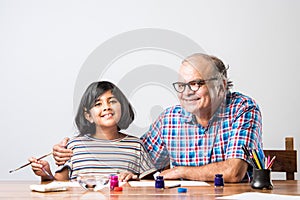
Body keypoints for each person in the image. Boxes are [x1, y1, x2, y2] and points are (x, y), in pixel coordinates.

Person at [52, 53, 262, 182]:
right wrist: (72, 153)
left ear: (222, 85)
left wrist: (179, 171)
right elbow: (132, 157)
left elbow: (234, 172)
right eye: (181, 85)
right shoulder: (169, 119)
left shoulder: (242, 108)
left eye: (196, 83)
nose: (187, 92)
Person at [29, 81, 156, 182]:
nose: (106, 107)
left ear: (122, 107)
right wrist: (46, 174)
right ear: (88, 115)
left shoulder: (136, 145)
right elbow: (59, 184)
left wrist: (134, 179)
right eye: (98, 104)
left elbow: (150, 185)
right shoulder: (75, 146)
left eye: (112, 101)